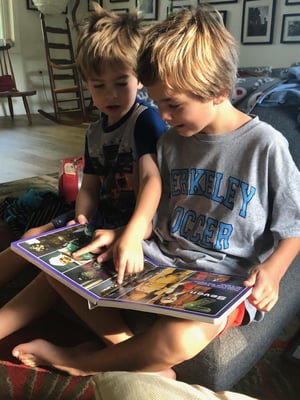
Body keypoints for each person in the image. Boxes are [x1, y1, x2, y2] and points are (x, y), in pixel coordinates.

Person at [7, 4, 300, 377]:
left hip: (223, 278)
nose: (162, 116)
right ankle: (134, 356)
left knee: (181, 339)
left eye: (173, 105)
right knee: (58, 268)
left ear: (219, 91)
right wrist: (120, 233)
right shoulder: (172, 143)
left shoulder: (265, 145)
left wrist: (273, 271)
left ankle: (81, 362)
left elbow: (294, 225)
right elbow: (156, 214)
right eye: (158, 103)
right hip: (161, 261)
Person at [0, 4, 167, 345]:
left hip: (132, 224)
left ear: (139, 77)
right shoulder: (94, 132)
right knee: (31, 235)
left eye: (122, 83)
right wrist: (81, 213)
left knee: (53, 271)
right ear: (87, 84)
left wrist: (133, 234)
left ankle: (124, 349)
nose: (111, 95)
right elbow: (89, 185)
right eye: (99, 86)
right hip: (96, 217)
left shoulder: (144, 120)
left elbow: (153, 179)